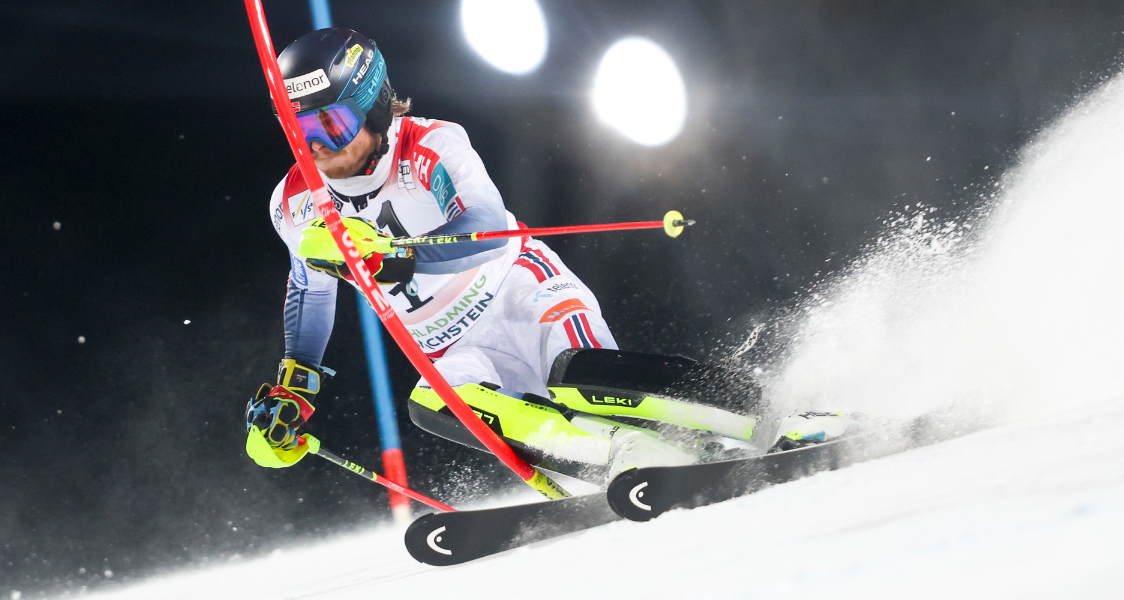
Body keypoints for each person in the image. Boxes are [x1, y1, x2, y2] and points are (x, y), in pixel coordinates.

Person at [243, 28, 859, 484]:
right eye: (299, 129)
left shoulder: (430, 146)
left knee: (579, 380)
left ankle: (779, 417)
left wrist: (397, 258)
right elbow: (311, 288)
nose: (316, 146)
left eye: (330, 126)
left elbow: (486, 228)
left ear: (374, 106)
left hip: (520, 293)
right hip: (447, 347)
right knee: (437, 403)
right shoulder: (294, 204)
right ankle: (627, 456)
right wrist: (296, 388)